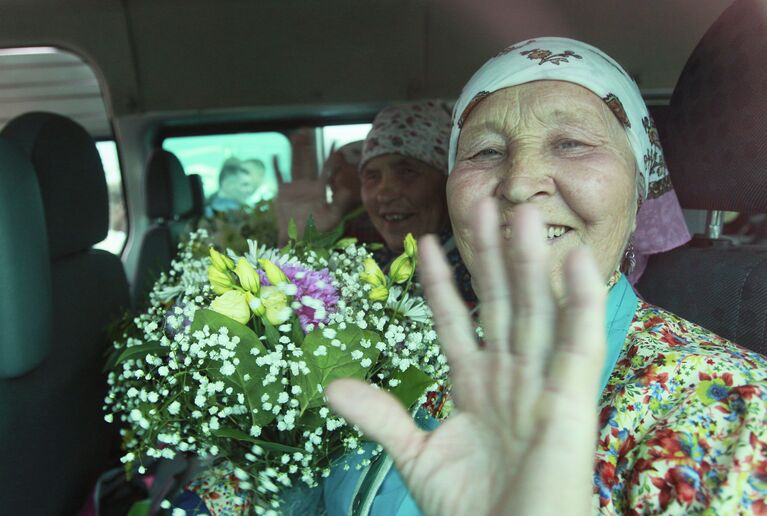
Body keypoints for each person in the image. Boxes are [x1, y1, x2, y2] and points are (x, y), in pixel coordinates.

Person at [327, 37, 767, 515]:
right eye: (486, 152)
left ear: (638, 192)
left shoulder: (729, 407)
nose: (518, 183)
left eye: (570, 144)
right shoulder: (389, 359)